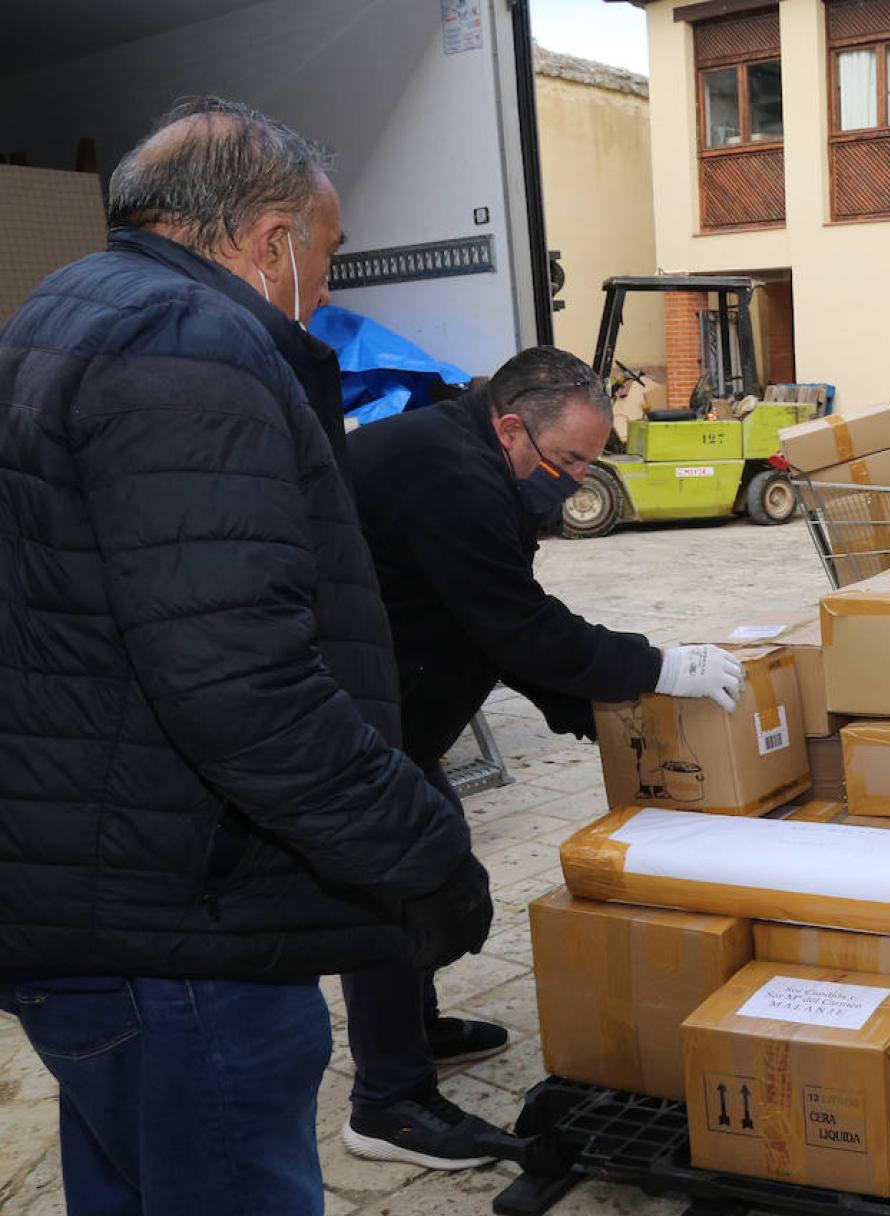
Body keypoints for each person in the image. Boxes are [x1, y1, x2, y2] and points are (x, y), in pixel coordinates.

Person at [0, 98, 490, 1215]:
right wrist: (425, 850)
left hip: (93, 890)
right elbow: (242, 685)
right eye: (328, 252)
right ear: (272, 242)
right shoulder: (187, 346)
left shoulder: (63, 306)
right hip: (178, 922)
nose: (327, 284)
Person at [336, 345, 745, 1168]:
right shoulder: (447, 474)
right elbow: (517, 622)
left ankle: (412, 1029)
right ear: (513, 426)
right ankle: (387, 1102)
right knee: (401, 881)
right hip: (349, 702)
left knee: (423, 859)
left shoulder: (480, 457)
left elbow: (490, 625)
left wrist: (595, 712)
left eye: (591, 462)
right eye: (567, 461)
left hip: (394, 697)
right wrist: (657, 666)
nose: (575, 480)